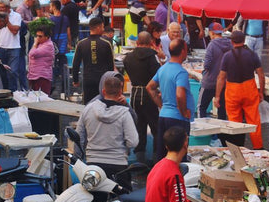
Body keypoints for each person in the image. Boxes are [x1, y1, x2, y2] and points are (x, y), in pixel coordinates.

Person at [77, 73, 140, 188]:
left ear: (103, 91)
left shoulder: (89, 109)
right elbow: (133, 142)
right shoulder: (124, 113)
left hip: (93, 165)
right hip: (118, 166)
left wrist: (80, 157)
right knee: (122, 201)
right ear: (120, 92)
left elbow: (78, 135)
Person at [214, 29, 266, 148]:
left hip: (233, 92)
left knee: (234, 122)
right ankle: (258, 148)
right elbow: (261, 75)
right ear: (244, 40)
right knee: (253, 120)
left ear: (232, 42)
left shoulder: (227, 56)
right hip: (249, 89)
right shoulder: (252, 55)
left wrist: (217, 96)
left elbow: (221, 78)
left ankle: (237, 148)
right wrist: (261, 92)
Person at [149, 37, 193, 162]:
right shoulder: (181, 72)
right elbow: (180, 94)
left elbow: (150, 88)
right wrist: (183, 111)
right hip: (177, 119)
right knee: (178, 156)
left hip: (164, 116)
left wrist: (162, 106)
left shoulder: (163, 68)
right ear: (183, 51)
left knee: (163, 155)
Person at [122, 30, 161, 163]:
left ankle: (140, 157)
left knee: (139, 125)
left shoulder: (128, 57)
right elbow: (158, 75)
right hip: (149, 94)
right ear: (150, 42)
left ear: (137, 42)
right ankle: (156, 156)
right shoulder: (152, 56)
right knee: (155, 126)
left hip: (135, 95)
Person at [71, 16, 116, 103]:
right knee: (103, 104)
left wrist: (75, 80)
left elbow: (75, 64)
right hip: (103, 80)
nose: (103, 29)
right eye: (102, 27)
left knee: (88, 104)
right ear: (98, 27)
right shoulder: (106, 44)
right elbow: (111, 66)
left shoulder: (81, 44)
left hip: (88, 80)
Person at [197, 24, 231, 118]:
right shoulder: (229, 44)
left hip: (209, 82)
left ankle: (203, 131)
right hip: (223, 83)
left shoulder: (211, 45)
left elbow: (207, 65)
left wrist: (204, 70)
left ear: (211, 32)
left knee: (201, 108)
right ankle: (221, 132)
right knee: (222, 110)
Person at [0, 1, 24, 88]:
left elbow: (15, 31)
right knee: (2, 72)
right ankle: (4, 91)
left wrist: (6, 21)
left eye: (2, 7)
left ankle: (13, 92)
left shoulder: (16, 16)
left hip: (13, 47)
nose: (0, 9)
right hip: (0, 47)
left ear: (8, 8)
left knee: (13, 72)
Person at [25, 22, 56, 92]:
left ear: (47, 37)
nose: (38, 38)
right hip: (34, 76)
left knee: (42, 99)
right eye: (37, 36)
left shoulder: (48, 45)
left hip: (42, 76)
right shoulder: (40, 44)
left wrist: (35, 43)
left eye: (40, 36)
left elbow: (32, 53)